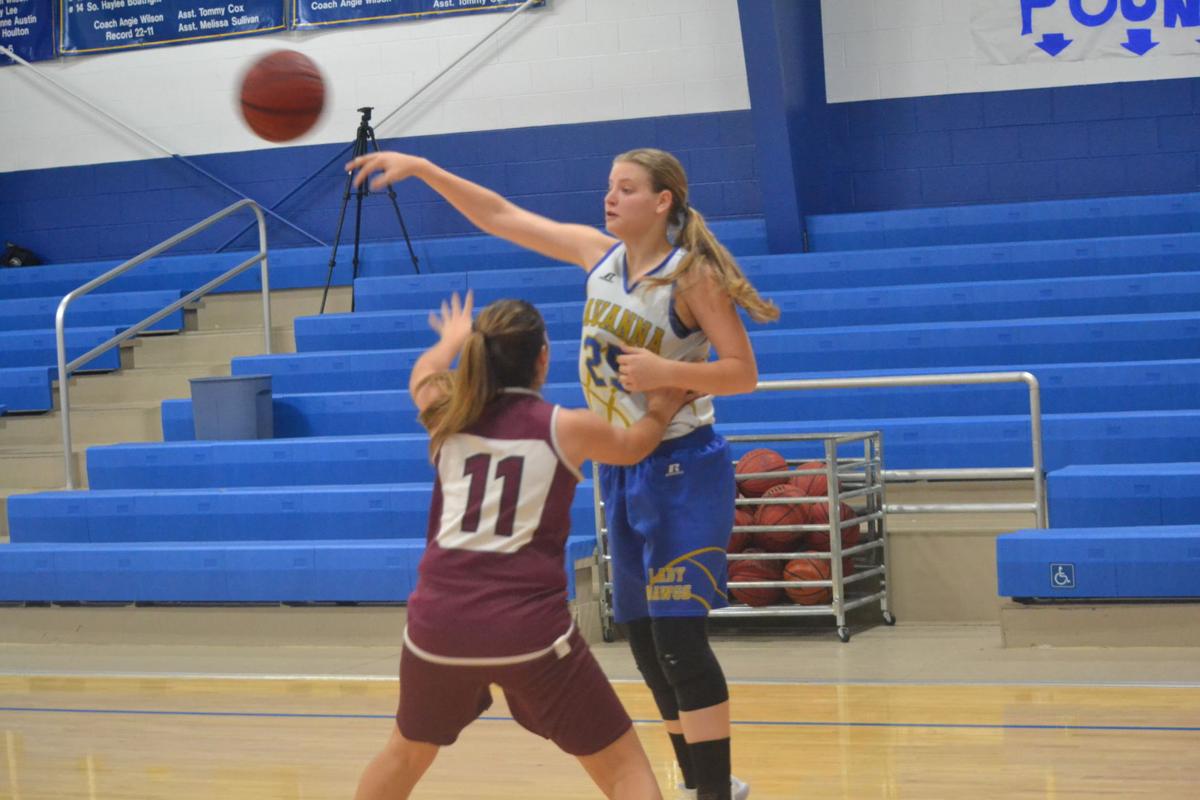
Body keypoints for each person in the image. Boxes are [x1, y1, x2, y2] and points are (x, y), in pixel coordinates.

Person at [348, 147, 778, 800]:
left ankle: (716, 791)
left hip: (684, 464)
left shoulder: (690, 277)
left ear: (662, 202)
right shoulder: (594, 255)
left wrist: (670, 374)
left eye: (626, 188)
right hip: (624, 463)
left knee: (681, 639)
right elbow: (498, 215)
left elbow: (742, 370)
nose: (609, 197)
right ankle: (697, 780)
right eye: (609, 186)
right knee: (643, 638)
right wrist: (427, 170)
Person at [355, 290, 690, 800]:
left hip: (436, 629)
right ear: (543, 358)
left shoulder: (446, 414)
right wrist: (662, 404)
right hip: (529, 632)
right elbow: (637, 445)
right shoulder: (566, 427)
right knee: (624, 770)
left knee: (404, 754)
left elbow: (422, 374)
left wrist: (448, 339)